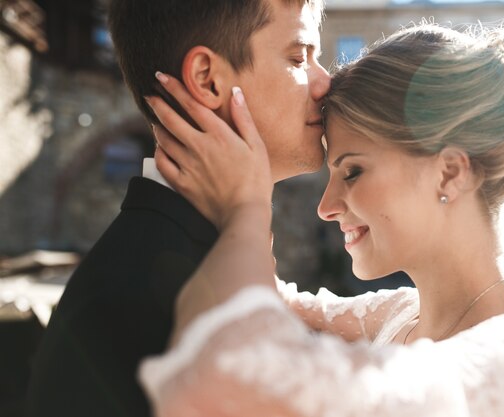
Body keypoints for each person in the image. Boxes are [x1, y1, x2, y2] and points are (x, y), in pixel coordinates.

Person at [140, 18, 504, 416]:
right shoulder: (396, 317)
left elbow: (228, 382)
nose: (325, 207)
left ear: (449, 174)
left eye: (351, 171)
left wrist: (244, 210)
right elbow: (272, 302)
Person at [26, 1, 329, 416]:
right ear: (207, 79)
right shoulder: (139, 298)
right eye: (299, 57)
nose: (324, 82)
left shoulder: (176, 254)